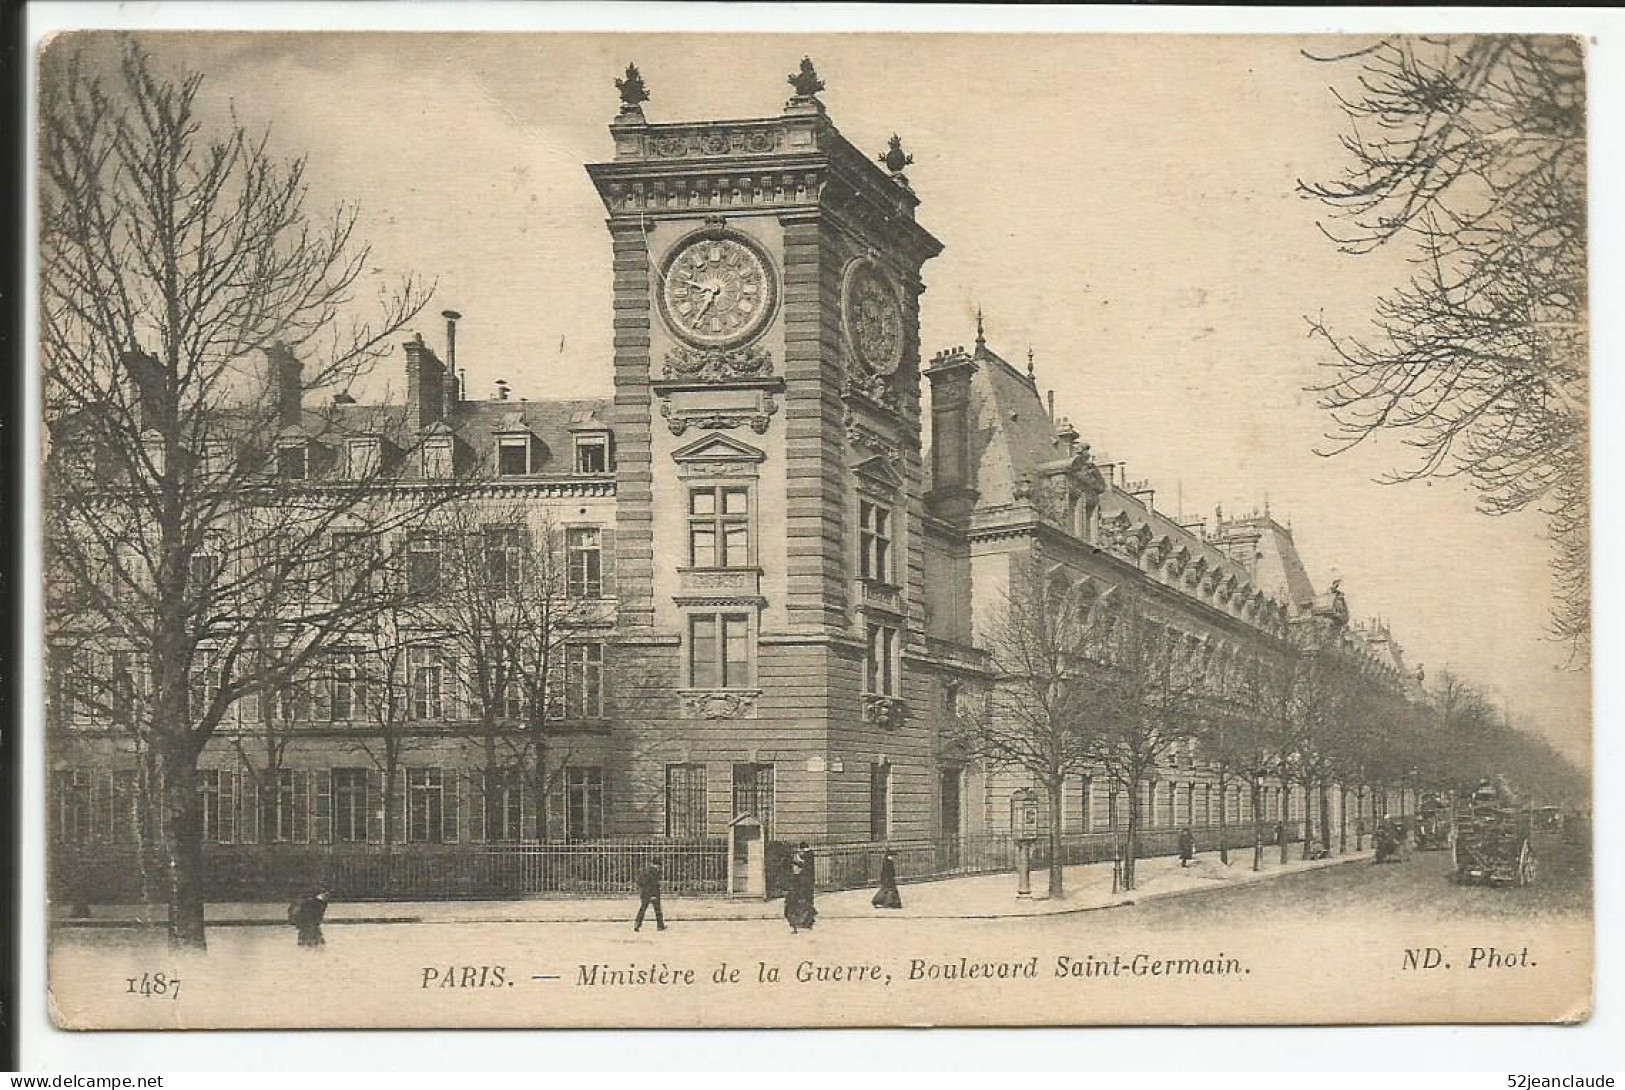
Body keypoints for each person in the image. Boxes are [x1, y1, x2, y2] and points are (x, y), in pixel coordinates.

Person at [785, 842, 818, 932]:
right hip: (808, 882)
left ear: (803, 848)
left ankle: (807, 921)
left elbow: (803, 866)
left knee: (805, 902)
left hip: (805, 883)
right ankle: (808, 921)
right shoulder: (810, 854)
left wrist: (795, 861)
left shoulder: (807, 855)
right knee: (808, 901)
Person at [634, 858, 667, 932]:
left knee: (643, 909)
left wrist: (643, 890)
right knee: (657, 910)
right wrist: (653, 895)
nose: (659, 868)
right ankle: (660, 926)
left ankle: (637, 924)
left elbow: (639, 881)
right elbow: (653, 884)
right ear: (657, 865)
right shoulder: (654, 872)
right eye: (659, 866)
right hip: (652, 893)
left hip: (645, 893)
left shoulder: (646, 871)